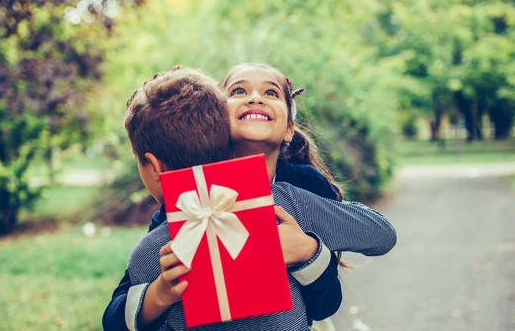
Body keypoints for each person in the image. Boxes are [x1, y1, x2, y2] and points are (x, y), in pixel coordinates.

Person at [106, 66, 396, 330]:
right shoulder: (187, 206)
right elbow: (120, 309)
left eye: (271, 92)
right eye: (238, 91)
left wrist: (307, 251)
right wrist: (158, 294)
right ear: (218, 120)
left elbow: (326, 303)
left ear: (289, 130)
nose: (255, 98)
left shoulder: (300, 187)